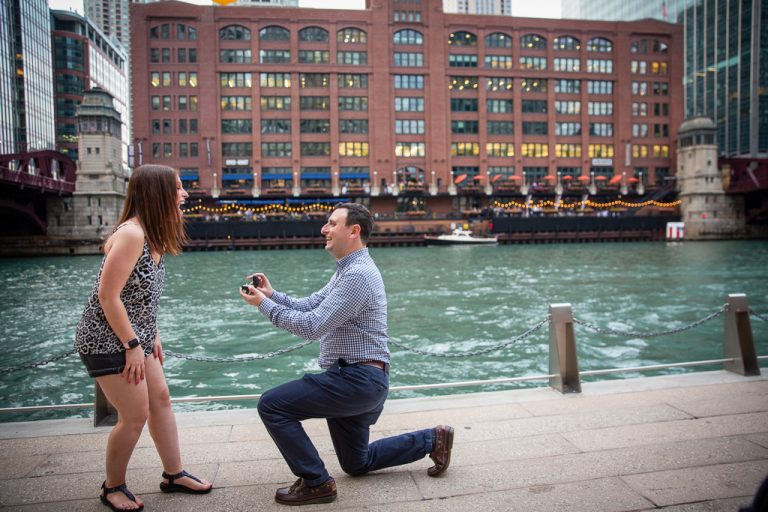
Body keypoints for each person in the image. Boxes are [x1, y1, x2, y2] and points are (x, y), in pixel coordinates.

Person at [239, 202, 454, 506]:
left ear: (353, 231)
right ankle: (432, 439)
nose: (324, 229)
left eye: (331, 223)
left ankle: (316, 483)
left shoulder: (358, 276)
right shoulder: (349, 270)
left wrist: (263, 305)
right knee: (357, 463)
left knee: (272, 405)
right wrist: (272, 295)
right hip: (360, 379)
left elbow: (312, 325)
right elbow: (310, 304)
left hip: (356, 380)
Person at [75, 165, 212, 511]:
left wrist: (154, 334)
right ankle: (113, 487)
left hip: (137, 337)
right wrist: (133, 345)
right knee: (134, 415)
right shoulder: (132, 235)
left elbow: (142, 297)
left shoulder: (153, 236)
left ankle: (173, 473)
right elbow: (108, 297)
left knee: (161, 400)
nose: (184, 194)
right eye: (178, 188)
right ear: (158, 193)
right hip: (108, 340)